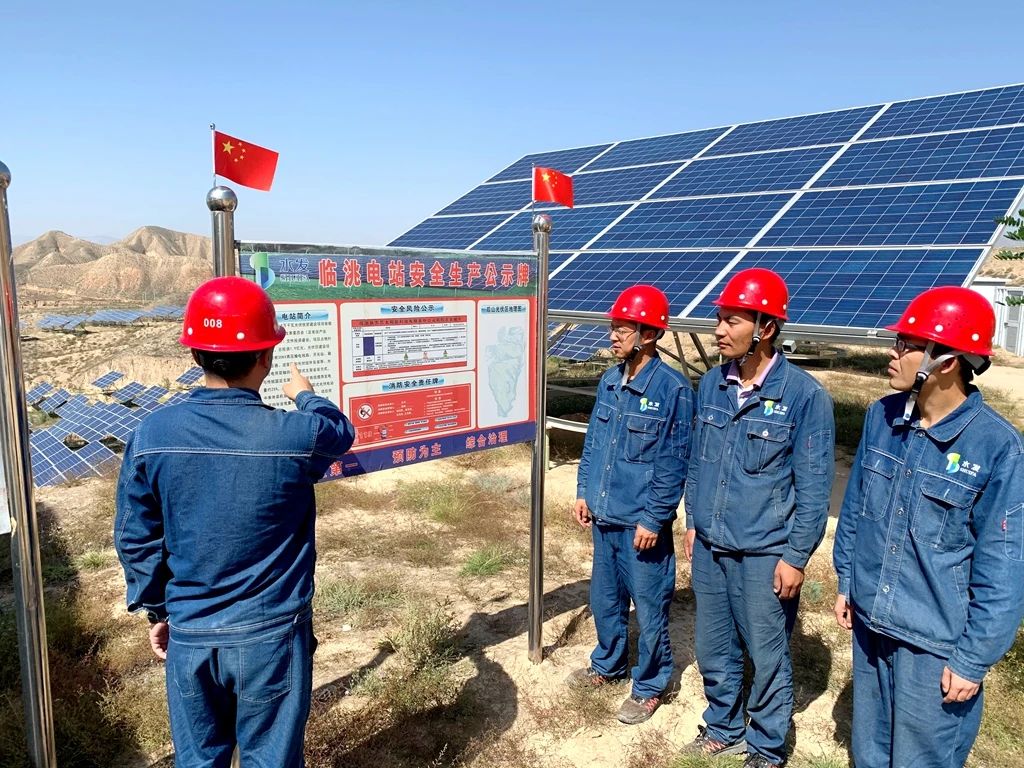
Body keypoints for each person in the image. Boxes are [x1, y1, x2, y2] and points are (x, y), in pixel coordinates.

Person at [114, 276, 355, 767]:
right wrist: (306, 395)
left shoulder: (152, 433)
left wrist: (159, 611)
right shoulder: (294, 434)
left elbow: (136, 538)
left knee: (199, 759)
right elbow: (340, 431)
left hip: (191, 633)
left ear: (195, 354)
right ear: (265, 356)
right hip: (272, 634)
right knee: (271, 758)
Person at [832, 286, 1024, 768]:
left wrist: (972, 659)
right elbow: (856, 510)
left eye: (906, 345)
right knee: (870, 753)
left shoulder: (997, 447)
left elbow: (1004, 567)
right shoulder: (881, 417)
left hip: (933, 644)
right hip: (870, 621)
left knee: (921, 759)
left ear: (946, 362)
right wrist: (846, 582)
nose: (892, 353)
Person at [681, 268, 835, 768]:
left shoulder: (805, 397)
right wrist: (692, 520)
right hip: (710, 544)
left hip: (765, 552)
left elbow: (814, 489)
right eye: (719, 319)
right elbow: (697, 461)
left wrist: (796, 556)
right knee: (713, 645)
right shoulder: (712, 384)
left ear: (765, 329)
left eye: (732, 321)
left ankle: (767, 745)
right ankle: (723, 727)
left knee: (767, 654)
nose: (718, 330)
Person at [568, 284, 694, 725]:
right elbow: (594, 443)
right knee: (605, 599)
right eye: (614, 327)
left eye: (623, 329)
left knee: (651, 605)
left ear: (649, 334)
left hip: (641, 524)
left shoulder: (674, 390)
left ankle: (650, 685)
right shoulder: (609, 380)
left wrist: (655, 518)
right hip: (605, 514)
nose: (613, 336)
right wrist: (583, 491)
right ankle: (608, 664)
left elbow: (674, 462)